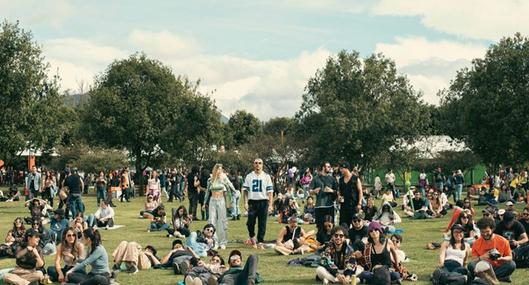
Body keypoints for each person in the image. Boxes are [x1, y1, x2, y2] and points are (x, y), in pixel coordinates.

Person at [468, 217, 516, 283]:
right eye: (482, 232)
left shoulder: (503, 241)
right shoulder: (476, 243)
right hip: (484, 267)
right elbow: (474, 261)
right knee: (471, 265)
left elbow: (510, 257)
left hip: (498, 266)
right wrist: (482, 257)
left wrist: (502, 258)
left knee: (512, 265)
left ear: (492, 229)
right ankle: (501, 277)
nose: (485, 234)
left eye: (487, 231)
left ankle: (483, 278)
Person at [243, 158, 274, 248]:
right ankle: (252, 236)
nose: (258, 165)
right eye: (256, 163)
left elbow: (270, 191)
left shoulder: (266, 176)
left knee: (262, 223)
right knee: (250, 222)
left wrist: (271, 204)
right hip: (252, 202)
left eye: (260, 163)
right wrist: (245, 202)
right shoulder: (249, 176)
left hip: (263, 201)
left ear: (262, 165)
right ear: (253, 164)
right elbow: (245, 190)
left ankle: (260, 240)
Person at [204, 164, 234, 250]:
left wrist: (230, 200)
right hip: (212, 200)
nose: (219, 171)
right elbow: (207, 192)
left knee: (222, 221)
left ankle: (223, 242)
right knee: (212, 221)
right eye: (218, 169)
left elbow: (229, 189)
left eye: (221, 170)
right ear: (215, 170)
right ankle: (214, 241)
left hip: (221, 200)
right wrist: (204, 203)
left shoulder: (223, 178)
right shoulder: (210, 180)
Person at [311, 162, 337, 236]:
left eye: (330, 166)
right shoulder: (316, 178)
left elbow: (337, 192)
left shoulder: (332, 179)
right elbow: (310, 191)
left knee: (331, 226)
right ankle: (320, 242)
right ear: (323, 167)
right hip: (319, 206)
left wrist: (331, 190)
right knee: (320, 227)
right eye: (328, 166)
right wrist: (314, 191)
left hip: (330, 206)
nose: (329, 168)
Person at [337, 162, 362, 228]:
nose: (340, 170)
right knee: (343, 225)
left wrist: (359, 203)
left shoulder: (356, 179)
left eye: (341, 169)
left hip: (354, 205)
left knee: (355, 224)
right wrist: (339, 197)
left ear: (346, 169)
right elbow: (339, 191)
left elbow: (360, 191)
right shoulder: (341, 180)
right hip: (344, 206)